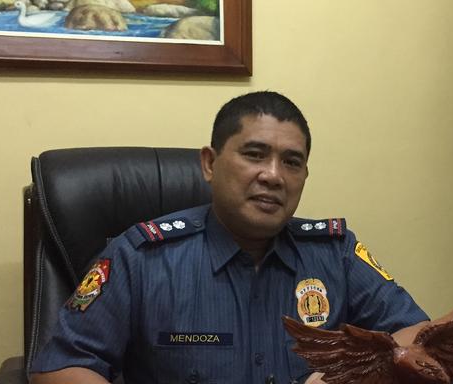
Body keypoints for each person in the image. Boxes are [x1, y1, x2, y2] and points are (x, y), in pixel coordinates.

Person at [29, 91, 429, 384]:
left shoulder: (334, 253)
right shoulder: (143, 256)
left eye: (292, 162)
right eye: (255, 154)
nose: (273, 175)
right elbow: (62, 366)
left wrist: (356, 376)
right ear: (209, 163)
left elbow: (416, 334)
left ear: (304, 176)